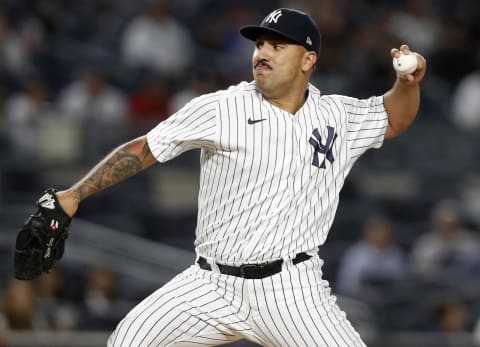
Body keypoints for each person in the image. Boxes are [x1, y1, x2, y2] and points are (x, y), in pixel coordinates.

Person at [51, 8, 426, 346]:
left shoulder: (337, 117)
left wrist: (406, 85)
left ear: (308, 59)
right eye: (260, 44)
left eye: (277, 46)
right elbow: (145, 149)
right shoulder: (222, 108)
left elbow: (394, 118)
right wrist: (75, 194)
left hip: (291, 288)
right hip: (210, 284)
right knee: (127, 342)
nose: (262, 54)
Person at [336, 215, 408, 303]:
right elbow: (346, 285)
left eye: (384, 231)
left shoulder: (395, 253)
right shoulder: (356, 254)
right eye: (378, 230)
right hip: (360, 301)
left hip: (391, 302)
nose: (382, 235)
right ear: (368, 233)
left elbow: (402, 282)